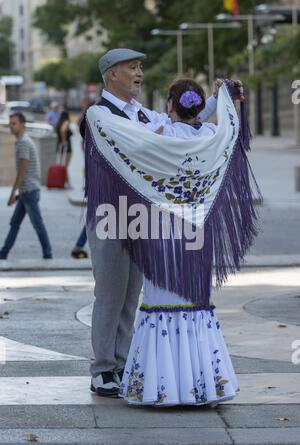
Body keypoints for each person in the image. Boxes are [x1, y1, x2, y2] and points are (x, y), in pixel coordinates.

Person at [85, 76, 259, 406]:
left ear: (168, 106)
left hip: (162, 231)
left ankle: (159, 385)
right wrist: (224, 100)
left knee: (159, 304)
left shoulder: (160, 134)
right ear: (196, 109)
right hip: (197, 234)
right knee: (195, 305)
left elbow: (129, 139)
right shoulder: (210, 136)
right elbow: (228, 131)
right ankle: (204, 384)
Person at [0, 113, 53, 260]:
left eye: (14, 123)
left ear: (23, 125)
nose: (11, 126)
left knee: (37, 224)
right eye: (10, 123)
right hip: (26, 191)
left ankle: (48, 253)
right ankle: (3, 253)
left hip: (29, 190)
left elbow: (22, 170)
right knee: (15, 223)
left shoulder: (23, 142)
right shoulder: (22, 141)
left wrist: (12, 193)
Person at [56, 111, 73, 188]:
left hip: (59, 146)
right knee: (65, 166)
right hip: (66, 147)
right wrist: (64, 140)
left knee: (62, 165)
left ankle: (62, 181)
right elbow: (63, 130)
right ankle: (68, 183)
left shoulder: (58, 123)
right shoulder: (66, 122)